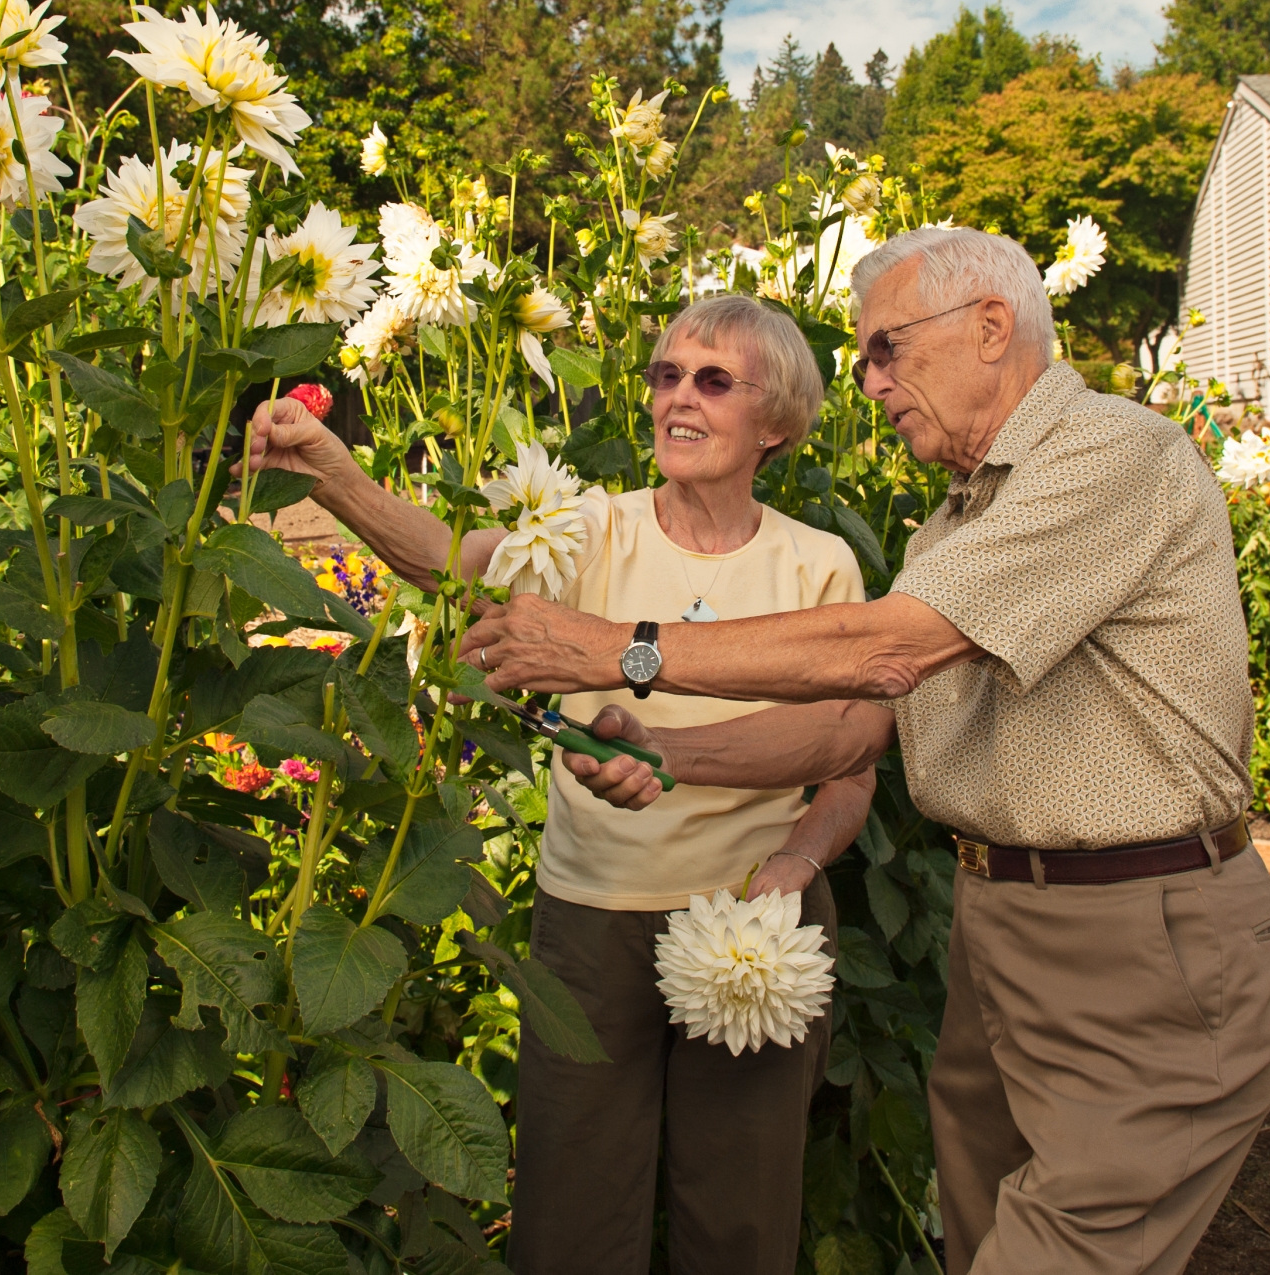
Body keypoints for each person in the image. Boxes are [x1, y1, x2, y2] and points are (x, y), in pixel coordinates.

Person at [461, 225, 1270, 1275]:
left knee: (1063, 1248)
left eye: (886, 348)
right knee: (981, 1235)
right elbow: (857, 728)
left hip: (1137, 929)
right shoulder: (954, 524)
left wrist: (617, 651)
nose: (867, 381)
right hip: (1002, 923)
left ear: (990, 326)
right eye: (863, 357)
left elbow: (882, 652)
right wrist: (664, 751)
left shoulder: (1111, 457)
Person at [246, 293, 873, 1275]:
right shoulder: (591, 529)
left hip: (758, 926)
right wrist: (331, 471)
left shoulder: (819, 563)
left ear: (776, 422)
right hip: (593, 922)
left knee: (741, 1216)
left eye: (714, 381)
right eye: (666, 375)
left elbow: (849, 763)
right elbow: (449, 565)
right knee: (572, 1208)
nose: (679, 397)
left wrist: (798, 859)